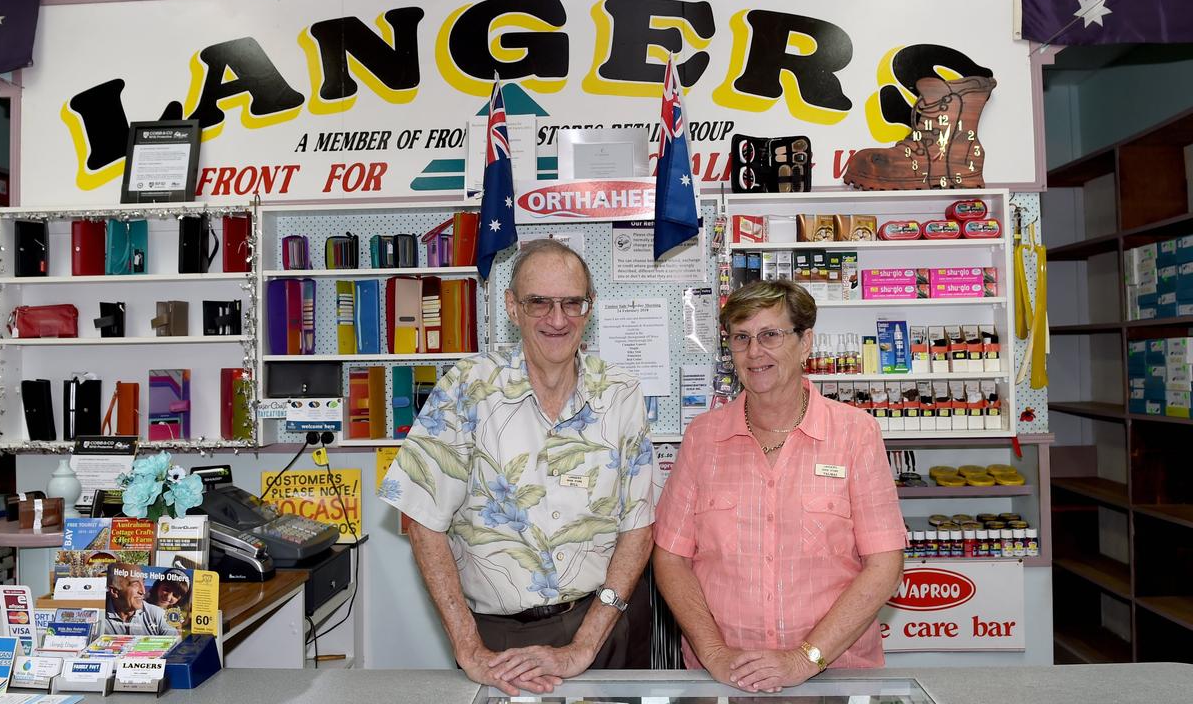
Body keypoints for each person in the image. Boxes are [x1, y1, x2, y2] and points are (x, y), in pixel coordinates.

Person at [378, 239, 654, 696]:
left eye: (572, 303)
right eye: (539, 302)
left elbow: (639, 528)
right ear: (512, 306)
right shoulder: (465, 389)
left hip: (606, 627)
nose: (558, 319)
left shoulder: (620, 394)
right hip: (502, 640)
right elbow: (422, 521)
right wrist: (468, 648)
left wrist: (585, 645)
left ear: (591, 308)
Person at [653, 279, 904, 693]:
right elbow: (671, 557)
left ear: (806, 342)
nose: (755, 352)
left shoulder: (855, 433)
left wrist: (803, 659)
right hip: (723, 679)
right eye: (741, 338)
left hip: (834, 677)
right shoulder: (703, 438)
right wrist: (714, 652)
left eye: (770, 334)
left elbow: (885, 566)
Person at [104, 563, 179, 636]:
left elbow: (176, 647)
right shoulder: (99, 615)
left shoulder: (159, 615)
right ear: (114, 591)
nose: (143, 591)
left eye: (143, 582)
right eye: (135, 584)